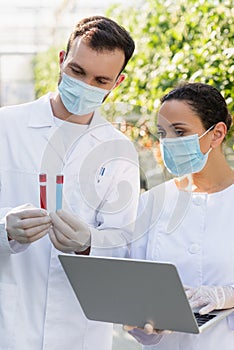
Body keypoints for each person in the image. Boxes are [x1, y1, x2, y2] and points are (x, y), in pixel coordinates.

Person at [0, 16, 140, 350]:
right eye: (77, 72)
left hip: (80, 332)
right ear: (62, 61)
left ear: (116, 83)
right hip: (10, 322)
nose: (86, 85)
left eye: (100, 79)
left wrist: (89, 243)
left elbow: (125, 242)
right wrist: (5, 229)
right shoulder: (6, 127)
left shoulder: (120, 151)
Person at [125, 82, 234, 349]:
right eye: (163, 133)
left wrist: (229, 296)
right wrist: (146, 320)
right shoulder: (153, 202)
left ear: (217, 134)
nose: (168, 143)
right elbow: (135, 290)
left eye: (180, 132)